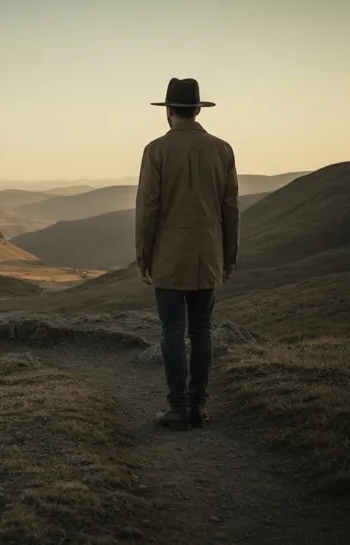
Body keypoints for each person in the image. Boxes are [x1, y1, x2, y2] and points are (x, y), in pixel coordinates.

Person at [135, 77, 240, 431]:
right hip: (208, 255)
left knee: (171, 331)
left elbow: (148, 208)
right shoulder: (223, 150)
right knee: (202, 331)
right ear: (197, 109)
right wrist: (229, 256)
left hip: (168, 255)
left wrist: (143, 256)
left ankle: (177, 408)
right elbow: (230, 209)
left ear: (169, 111)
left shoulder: (156, 150)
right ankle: (197, 406)